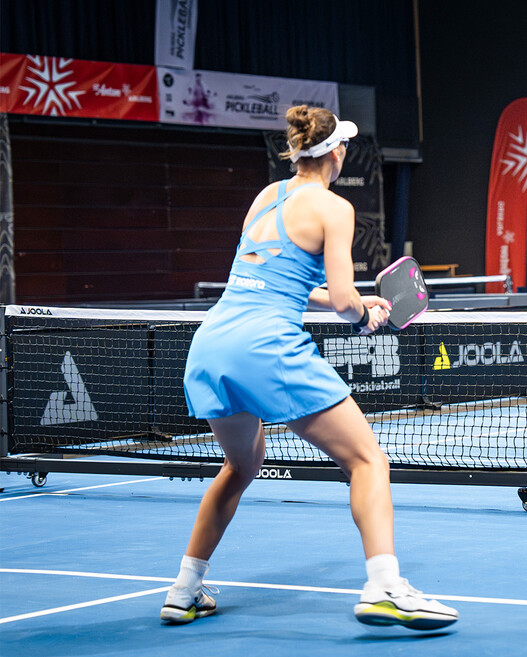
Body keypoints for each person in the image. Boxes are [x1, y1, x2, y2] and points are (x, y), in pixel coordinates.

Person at [161, 107, 458, 629]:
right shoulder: (335, 207)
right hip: (266, 347)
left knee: (240, 466)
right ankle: (385, 586)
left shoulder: (266, 196)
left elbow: (286, 282)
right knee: (368, 461)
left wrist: (360, 304)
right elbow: (344, 302)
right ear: (336, 152)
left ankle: (184, 589)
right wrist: (363, 312)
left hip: (212, 344)